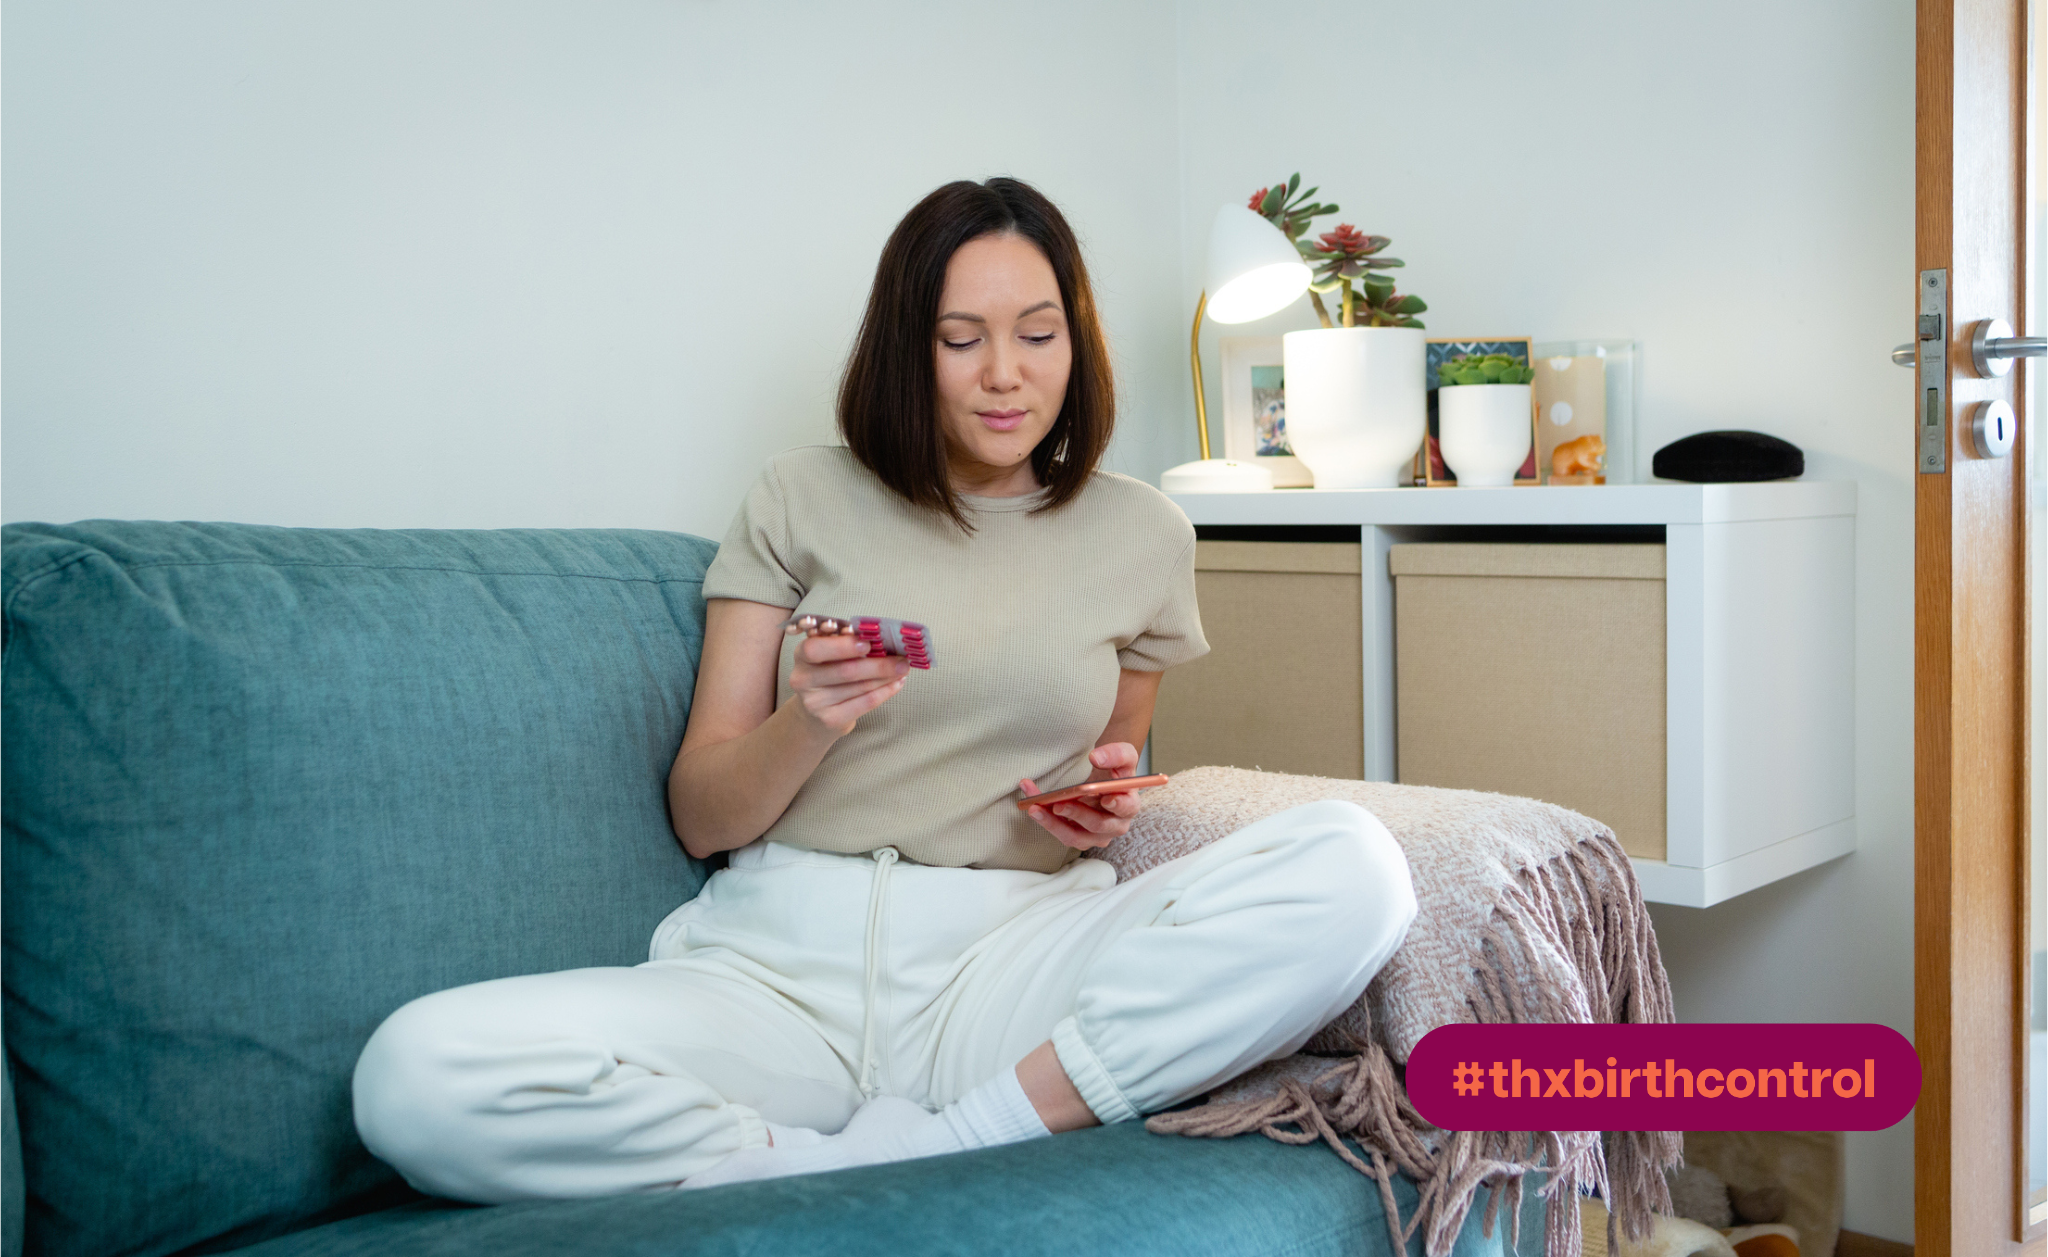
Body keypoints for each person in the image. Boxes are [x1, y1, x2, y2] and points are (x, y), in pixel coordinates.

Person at [351, 177, 1417, 1202]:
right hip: (775, 975)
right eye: (961, 339)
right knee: (415, 1073)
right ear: (909, 348)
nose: (1004, 374)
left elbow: (1112, 769)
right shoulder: (798, 497)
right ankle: (787, 1158)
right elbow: (700, 814)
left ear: (1076, 344)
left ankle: (963, 1138)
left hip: (1006, 961)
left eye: (1037, 335)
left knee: (1356, 864)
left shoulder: (1142, 533)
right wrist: (809, 719)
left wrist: (1096, 805)